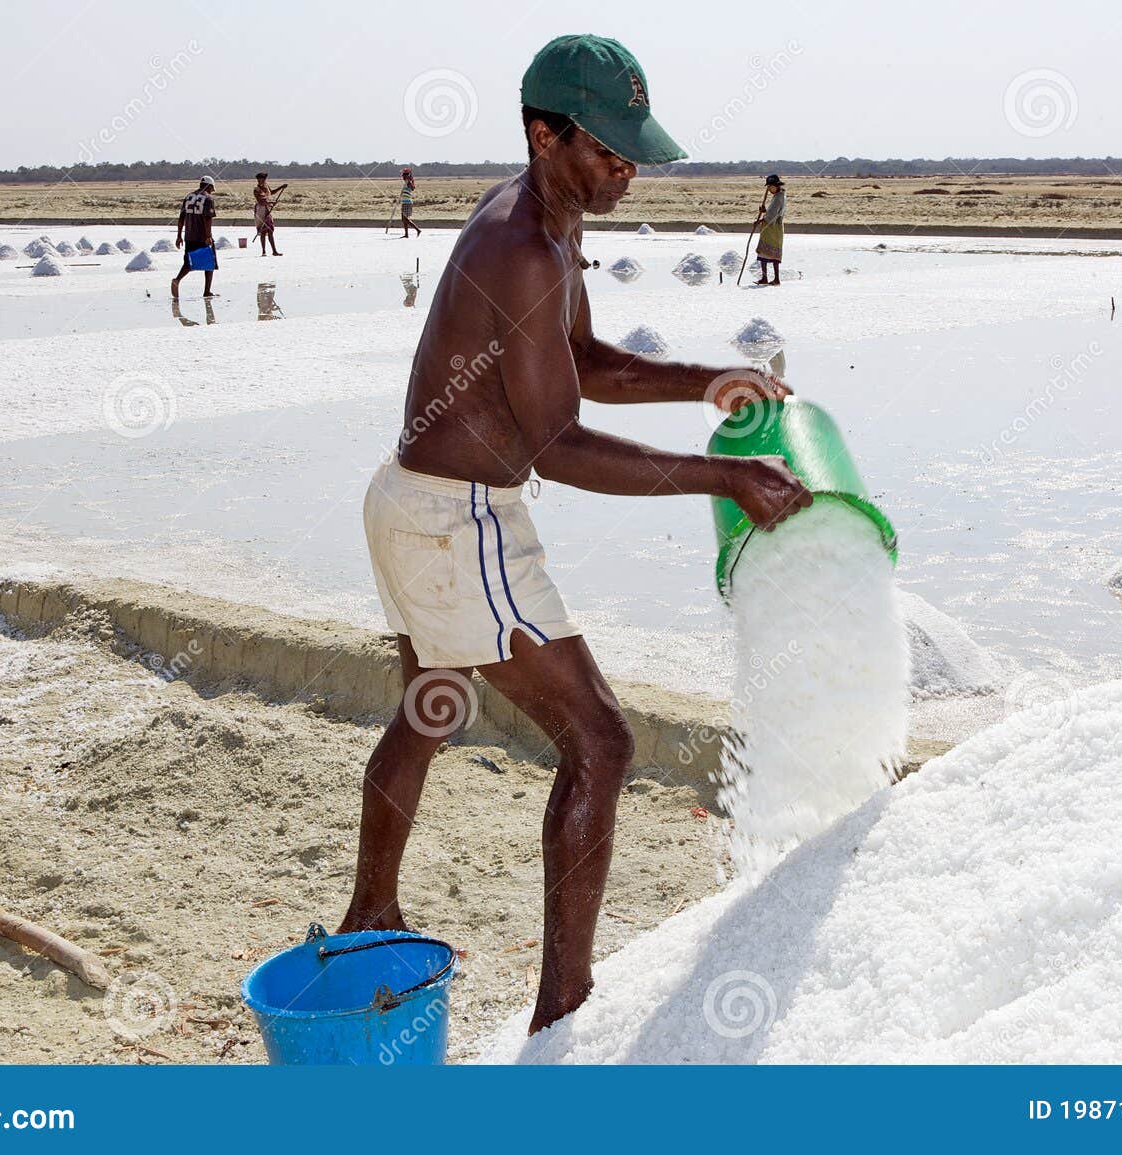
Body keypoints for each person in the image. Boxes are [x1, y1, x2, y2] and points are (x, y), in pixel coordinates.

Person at [340, 34, 811, 1034]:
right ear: (542, 133)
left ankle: (369, 914)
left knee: (428, 708)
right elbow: (556, 445)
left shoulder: (548, 228)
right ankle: (563, 1006)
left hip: (413, 499)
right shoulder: (519, 248)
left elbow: (587, 359)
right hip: (454, 518)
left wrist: (710, 381)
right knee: (599, 741)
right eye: (605, 149)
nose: (623, 169)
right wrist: (725, 474)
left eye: (632, 151)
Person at [172, 175, 218, 300]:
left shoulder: (188, 197)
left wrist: (179, 236)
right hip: (202, 236)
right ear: (209, 186)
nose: (211, 191)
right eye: (211, 188)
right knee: (210, 263)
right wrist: (208, 236)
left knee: (188, 261)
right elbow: (208, 219)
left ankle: (177, 280)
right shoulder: (208, 199)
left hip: (189, 235)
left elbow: (182, 217)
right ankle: (207, 291)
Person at [755, 174, 785, 286]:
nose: (768, 189)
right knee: (764, 253)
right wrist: (764, 211)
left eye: (770, 187)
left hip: (773, 229)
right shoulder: (778, 196)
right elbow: (771, 212)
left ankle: (775, 279)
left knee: (770, 253)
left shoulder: (779, 198)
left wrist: (760, 220)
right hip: (771, 228)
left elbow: (772, 215)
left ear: (775, 186)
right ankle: (765, 278)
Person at [253, 172, 288, 256]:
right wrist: (269, 203)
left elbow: (271, 192)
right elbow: (260, 201)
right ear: (258, 180)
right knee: (262, 230)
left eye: (264, 179)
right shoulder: (256, 189)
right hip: (260, 210)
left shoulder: (266, 186)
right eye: (260, 179)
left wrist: (281, 187)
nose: (262, 181)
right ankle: (264, 251)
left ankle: (274, 251)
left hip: (267, 209)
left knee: (270, 230)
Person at [399, 167, 421, 238]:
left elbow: (412, 187)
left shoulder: (408, 183)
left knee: (405, 219)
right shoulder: (406, 183)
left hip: (407, 202)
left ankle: (417, 230)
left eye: (403, 175)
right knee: (403, 219)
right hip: (404, 202)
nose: (402, 177)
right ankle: (406, 234)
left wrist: (409, 178)